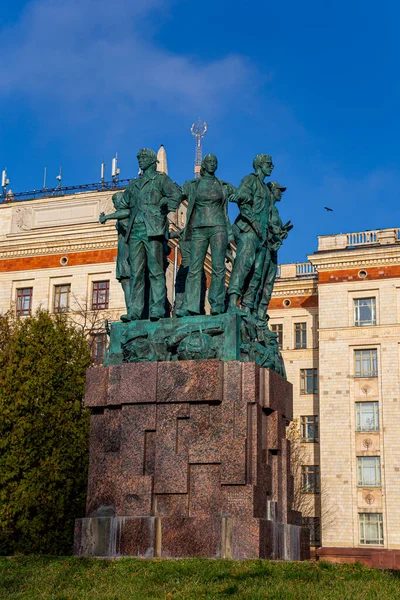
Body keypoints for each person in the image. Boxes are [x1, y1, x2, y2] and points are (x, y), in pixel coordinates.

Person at [100, 148, 182, 321]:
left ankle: (157, 309)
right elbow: (123, 205)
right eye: (139, 158)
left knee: (155, 271)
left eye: (143, 158)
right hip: (135, 231)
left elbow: (176, 195)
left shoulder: (161, 180)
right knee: (136, 273)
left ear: (152, 161)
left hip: (153, 230)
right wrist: (110, 213)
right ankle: (135, 311)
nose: (140, 161)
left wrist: (163, 205)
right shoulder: (133, 185)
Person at [176, 154, 236, 316]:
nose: (212, 164)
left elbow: (240, 197)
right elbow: (175, 196)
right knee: (195, 267)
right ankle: (191, 306)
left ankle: (216, 304)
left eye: (214, 162)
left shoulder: (222, 185)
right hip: (199, 228)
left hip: (218, 227)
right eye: (209, 162)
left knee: (218, 267)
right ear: (203, 165)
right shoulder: (192, 185)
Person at [227, 154, 274, 312]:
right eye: (269, 164)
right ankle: (233, 300)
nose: (272, 166)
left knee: (257, 272)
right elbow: (242, 201)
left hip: (262, 236)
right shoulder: (250, 180)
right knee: (244, 264)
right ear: (260, 165)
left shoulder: (266, 189)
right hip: (249, 231)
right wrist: (254, 223)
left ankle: (247, 307)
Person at [100, 192, 130, 313]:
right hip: (123, 255)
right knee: (125, 284)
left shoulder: (127, 215)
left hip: (128, 255)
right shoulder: (121, 217)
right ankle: (130, 311)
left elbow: (124, 213)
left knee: (129, 284)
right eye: (114, 202)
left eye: (116, 201)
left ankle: (133, 311)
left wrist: (107, 217)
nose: (115, 204)